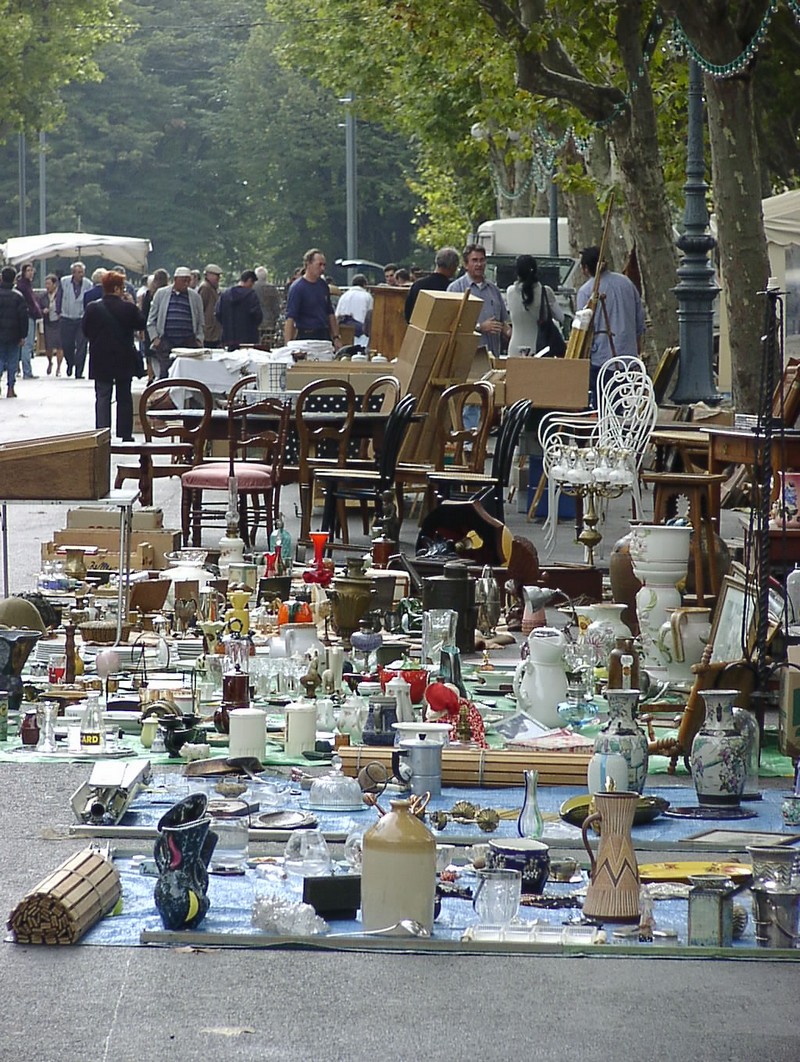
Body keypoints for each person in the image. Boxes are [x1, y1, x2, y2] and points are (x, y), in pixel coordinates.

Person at [577, 245, 645, 406]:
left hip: (602, 359)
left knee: (604, 407)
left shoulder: (587, 291)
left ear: (585, 268)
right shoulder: (626, 283)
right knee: (625, 406)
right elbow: (640, 320)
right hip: (629, 357)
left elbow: (582, 329)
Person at [82, 271, 145, 441]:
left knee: (103, 397)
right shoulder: (128, 308)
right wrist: (133, 303)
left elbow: (85, 331)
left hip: (100, 357)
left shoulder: (93, 308)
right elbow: (141, 324)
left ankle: (102, 434)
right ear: (117, 288)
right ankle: (125, 434)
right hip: (123, 357)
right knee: (124, 397)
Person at [447, 243, 509, 357]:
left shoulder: (494, 290)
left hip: (492, 356)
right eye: (474, 260)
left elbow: (502, 323)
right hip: (465, 357)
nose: (479, 264)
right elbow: (450, 325)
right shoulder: (456, 289)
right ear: (466, 265)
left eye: (482, 260)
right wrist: (480, 327)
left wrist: (512, 334)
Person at [147, 266, 204, 378]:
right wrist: (155, 338)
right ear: (175, 279)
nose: (186, 284)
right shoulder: (161, 294)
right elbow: (151, 319)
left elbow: (201, 321)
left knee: (188, 374)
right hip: (166, 341)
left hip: (188, 342)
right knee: (166, 374)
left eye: (188, 281)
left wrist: (199, 339)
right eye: (183, 281)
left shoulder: (195, 297)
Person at [506, 254, 564, 356]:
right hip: (539, 349)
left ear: (517, 273)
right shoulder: (546, 292)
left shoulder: (510, 292)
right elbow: (561, 317)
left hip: (514, 349)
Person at [283, 248, 340, 349]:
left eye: (324, 265)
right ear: (308, 264)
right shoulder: (297, 288)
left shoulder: (323, 286)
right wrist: (288, 345)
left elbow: (330, 313)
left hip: (323, 334)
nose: (322, 268)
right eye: (319, 264)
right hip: (306, 335)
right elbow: (290, 317)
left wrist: (336, 337)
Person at [404, 246, 459, 323]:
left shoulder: (418, 285)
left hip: (418, 327)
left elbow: (408, 314)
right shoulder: (452, 288)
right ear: (452, 267)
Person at [57, 261, 92, 378]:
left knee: (82, 345)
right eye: (79, 272)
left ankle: (79, 371)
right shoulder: (64, 282)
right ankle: (70, 362)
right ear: (73, 273)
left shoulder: (88, 284)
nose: (81, 275)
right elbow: (59, 297)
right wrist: (58, 311)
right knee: (67, 344)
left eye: (82, 272)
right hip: (66, 317)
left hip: (81, 318)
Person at [215, 269, 263, 350]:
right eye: (252, 283)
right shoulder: (251, 295)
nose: (252, 286)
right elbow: (257, 315)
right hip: (248, 338)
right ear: (249, 280)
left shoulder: (225, 294)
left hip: (228, 338)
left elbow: (218, 313)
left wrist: (226, 324)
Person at [0, 265, 29, 397]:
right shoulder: (18, 296)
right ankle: (10, 388)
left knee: (0, 358)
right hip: (14, 333)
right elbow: (23, 317)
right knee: (13, 360)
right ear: (14, 279)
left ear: (1, 278)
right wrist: (23, 335)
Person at [15, 262, 42, 379]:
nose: (31, 273)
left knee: (26, 344)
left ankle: (24, 369)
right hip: (27, 316)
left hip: (30, 315)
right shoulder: (23, 286)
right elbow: (30, 301)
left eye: (32, 270)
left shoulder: (26, 285)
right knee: (27, 343)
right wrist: (36, 310)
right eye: (28, 270)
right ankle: (27, 371)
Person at [141, 269, 169, 381]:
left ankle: (151, 376)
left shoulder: (148, 295)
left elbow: (144, 314)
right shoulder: (168, 294)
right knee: (162, 357)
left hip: (150, 329)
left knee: (151, 355)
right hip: (163, 330)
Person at [335, 273, 373, 348]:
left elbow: (337, 315)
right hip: (361, 335)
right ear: (364, 284)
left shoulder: (344, 296)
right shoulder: (367, 296)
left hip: (344, 333)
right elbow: (370, 317)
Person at [38, 274, 63, 376]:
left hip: (59, 322)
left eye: (49, 284)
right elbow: (38, 307)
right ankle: (50, 362)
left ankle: (58, 368)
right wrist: (43, 310)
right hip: (48, 322)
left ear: (54, 284)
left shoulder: (60, 295)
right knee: (49, 346)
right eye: (46, 284)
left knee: (60, 345)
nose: (47, 286)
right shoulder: (43, 296)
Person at [253, 266, 281, 342]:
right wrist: (275, 317)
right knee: (268, 343)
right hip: (269, 322)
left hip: (255, 323)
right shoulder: (272, 288)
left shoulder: (252, 288)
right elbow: (276, 307)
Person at [198, 263, 223, 347]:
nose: (218, 278)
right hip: (208, 331)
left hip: (214, 331)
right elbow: (201, 308)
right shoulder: (205, 288)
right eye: (216, 276)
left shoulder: (213, 288)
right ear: (208, 275)